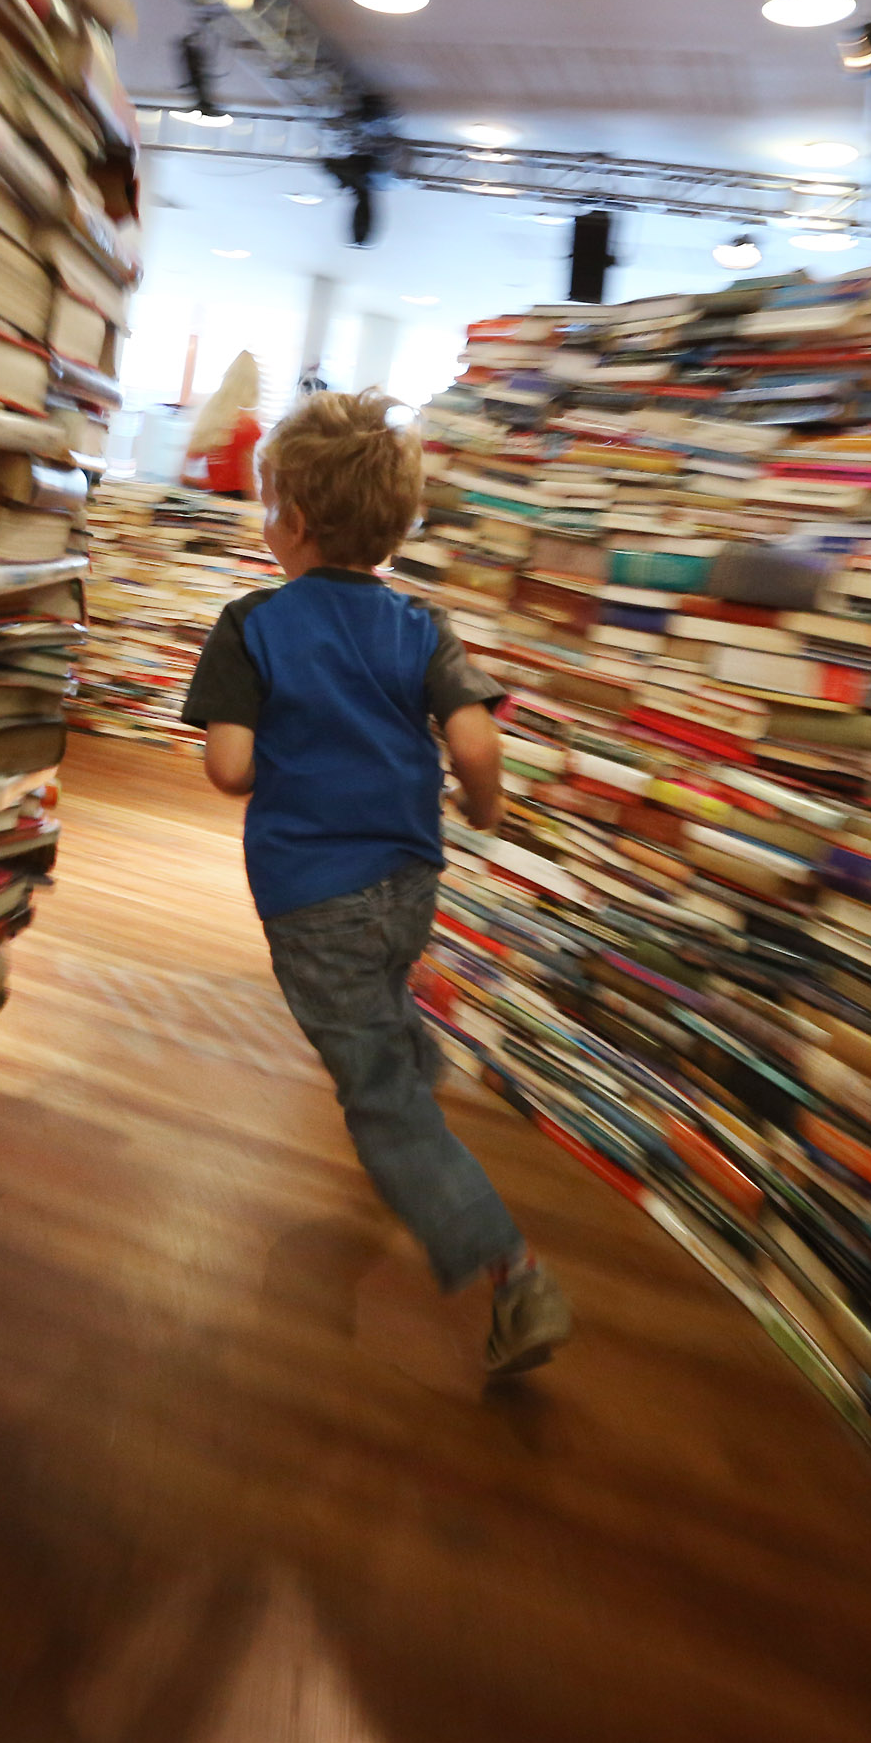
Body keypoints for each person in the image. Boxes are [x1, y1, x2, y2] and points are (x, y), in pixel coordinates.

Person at [180, 389, 573, 1375]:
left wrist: (297, 755)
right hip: (412, 880)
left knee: (376, 1098)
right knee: (382, 989)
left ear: (294, 521)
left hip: (314, 894)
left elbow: (229, 768)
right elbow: (477, 739)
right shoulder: (420, 626)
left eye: (269, 506)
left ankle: (513, 1271)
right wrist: (485, 811)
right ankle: (415, 1068)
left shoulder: (251, 625)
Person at [183, 350, 263, 499]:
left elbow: (184, 475)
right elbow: (248, 482)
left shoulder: (211, 418)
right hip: (237, 506)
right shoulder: (249, 427)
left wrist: (213, 484)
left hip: (211, 502)